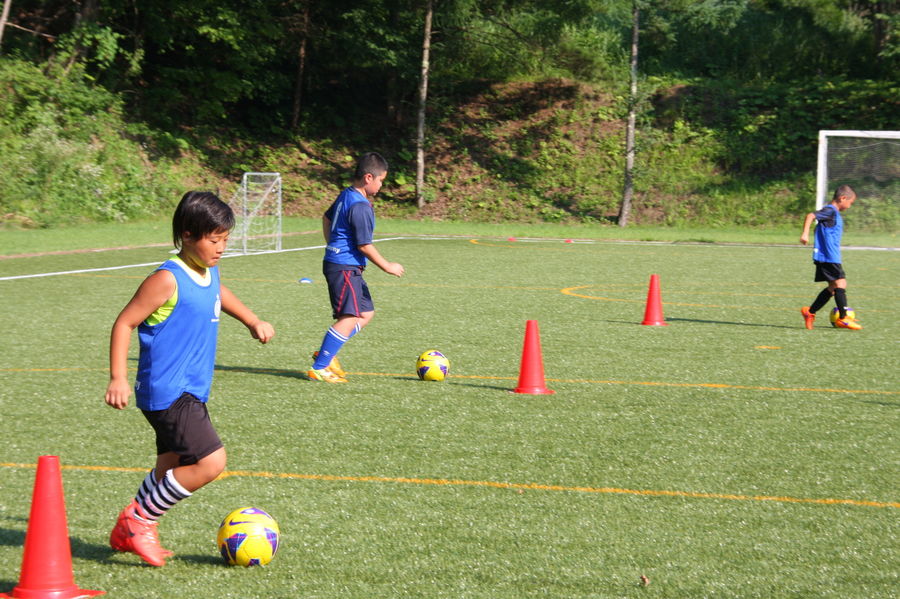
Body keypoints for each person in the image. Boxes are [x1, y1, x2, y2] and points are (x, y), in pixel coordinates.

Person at [105, 191, 275, 566]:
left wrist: (251, 319)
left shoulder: (207, 269)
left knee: (169, 467)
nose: (221, 248)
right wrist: (118, 377)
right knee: (211, 462)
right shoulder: (166, 279)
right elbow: (124, 323)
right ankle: (138, 521)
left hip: (190, 389)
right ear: (187, 235)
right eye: (214, 240)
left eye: (225, 239)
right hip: (168, 391)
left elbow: (217, 291)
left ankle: (126, 528)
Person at [307, 151, 404, 383]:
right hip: (344, 267)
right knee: (350, 316)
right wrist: (387, 266)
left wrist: (332, 244)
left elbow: (326, 218)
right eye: (381, 180)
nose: (382, 186)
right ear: (369, 177)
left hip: (343, 264)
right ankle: (319, 367)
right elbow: (364, 245)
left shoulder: (346, 194)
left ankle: (327, 353)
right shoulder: (361, 205)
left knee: (366, 313)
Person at [799, 184, 861, 330]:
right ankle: (843, 318)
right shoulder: (830, 211)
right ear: (843, 198)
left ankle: (810, 312)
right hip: (827, 257)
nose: (850, 206)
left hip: (830, 256)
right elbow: (810, 216)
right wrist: (805, 234)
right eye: (850, 202)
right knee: (841, 284)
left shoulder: (834, 213)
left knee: (833, 287)